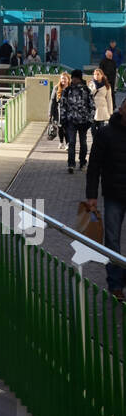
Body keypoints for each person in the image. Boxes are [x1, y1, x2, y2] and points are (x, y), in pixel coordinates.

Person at [85, 97, 126, 301]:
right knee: (112, 240)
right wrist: (91, 196)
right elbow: (94, 167)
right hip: (113, 195)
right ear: (121, 109)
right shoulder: (105, 134)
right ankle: (116, 285)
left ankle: (121, 276)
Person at [62, 68, 94, 174]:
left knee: (83, 143)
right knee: (71, 142)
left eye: (75, 78)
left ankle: (83, 162)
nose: (73, 80)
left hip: (84, 121)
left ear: (79, 79)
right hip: (71, 120)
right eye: (72, 78)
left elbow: (92, 106)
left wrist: (90, 119)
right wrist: (63, 119)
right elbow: (63, 105)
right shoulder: (67, 91)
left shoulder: (86, 90)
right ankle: (71, 164)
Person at [49, 70, 70, 149]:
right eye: (62, 79)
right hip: (58, 112)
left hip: (68, 112)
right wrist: (50, 113)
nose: (63, 80)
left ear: (68, 79)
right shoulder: (56, 88)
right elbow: (52, 101)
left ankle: (67, 143)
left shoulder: (71, 88)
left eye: (65, 79)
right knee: (60, 128)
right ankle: (61, 142)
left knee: (67, 129)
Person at [90, 66, 113, 137]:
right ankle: (95, 141)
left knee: (101, 129)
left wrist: (110, 112)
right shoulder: (91, 84)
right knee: (93, 129)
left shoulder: (107, 86)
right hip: (93, 110)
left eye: (98, 74)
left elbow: (109, 99)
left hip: (102, 110)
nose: (96, 76)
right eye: (95, 74)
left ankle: (99, 143)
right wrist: (95, 88)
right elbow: (89, 95)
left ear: (102, 75)